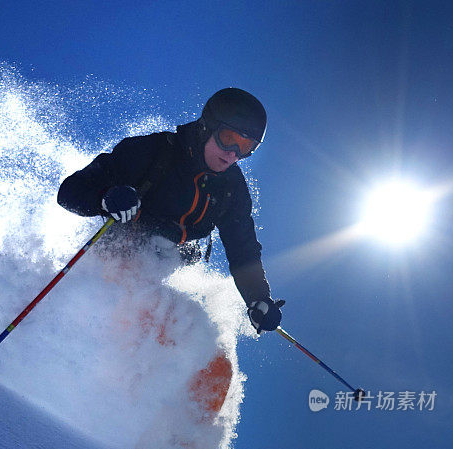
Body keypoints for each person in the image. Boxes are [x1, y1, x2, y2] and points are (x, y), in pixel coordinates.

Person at [57, 88, 284, 335]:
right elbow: (70, 192)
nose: (233, 154)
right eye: (229, 138)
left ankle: (185, 358)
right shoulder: (152, 152)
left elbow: (243, 248)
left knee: (185, 317)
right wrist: (105, 198)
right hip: (120, 249)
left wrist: (258, 298)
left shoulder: (232, 190)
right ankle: (107, 326)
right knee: (134, 285)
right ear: (207, 127)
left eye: (246, 146)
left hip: (171, 263)